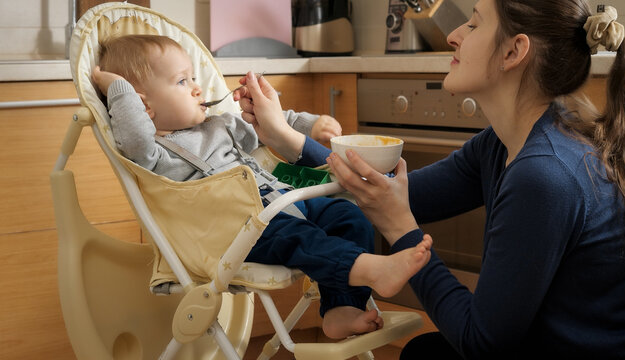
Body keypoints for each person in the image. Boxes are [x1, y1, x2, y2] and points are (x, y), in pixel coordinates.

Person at [325, 0, 625, 358]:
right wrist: (287, 138)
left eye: (473, 25)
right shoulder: (507, 142)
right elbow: (390, 189)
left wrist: (401, 233)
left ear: (513, 51)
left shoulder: (543, 175)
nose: (453, 35)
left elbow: (481, 343)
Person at [92, 34, 431, 339]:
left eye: (193, 78)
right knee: (298, 238)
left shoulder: (219, 123)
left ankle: (342, 307)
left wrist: (313, 125)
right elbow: (133, 135)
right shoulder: (153, 152)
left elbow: (272, 122)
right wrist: (117, 86)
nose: (197, 88)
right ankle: (371, 269)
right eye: (182, 82)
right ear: (144, 106)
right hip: (234, 231)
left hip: (277, 201)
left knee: (346, 214)